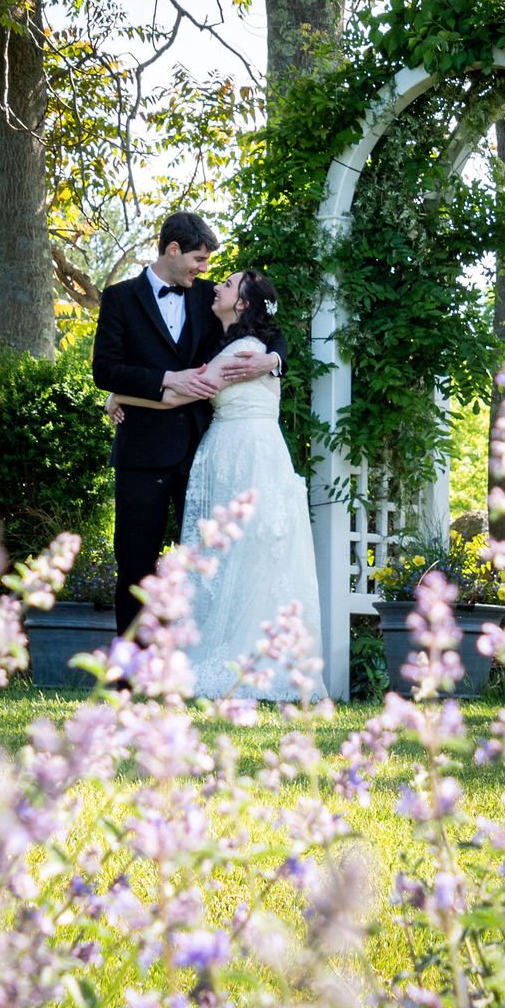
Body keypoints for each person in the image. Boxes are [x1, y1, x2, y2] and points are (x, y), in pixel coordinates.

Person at [107, 268, 322, 701]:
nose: (214, 283)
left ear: (242, 303)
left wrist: (120, 393)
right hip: (245, 452)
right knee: (238, 560)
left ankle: (234, 662)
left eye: (227, 283)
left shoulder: (244, 351)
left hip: (241, 454)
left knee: (237, 556)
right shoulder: (224, 333)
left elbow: (178, 394)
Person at [91, 212, 284, 638]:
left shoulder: (206, 300)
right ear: (173, 250)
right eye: (199, 259)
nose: (204, 270)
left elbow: (266, 328)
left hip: (204, 455)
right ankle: (129, 668)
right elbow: (105, 370)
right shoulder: (120, 298)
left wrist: (274, 360)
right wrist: (161, 381)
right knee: (136, 564)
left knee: (201, 565)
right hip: (142, 453)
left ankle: (183, 663)